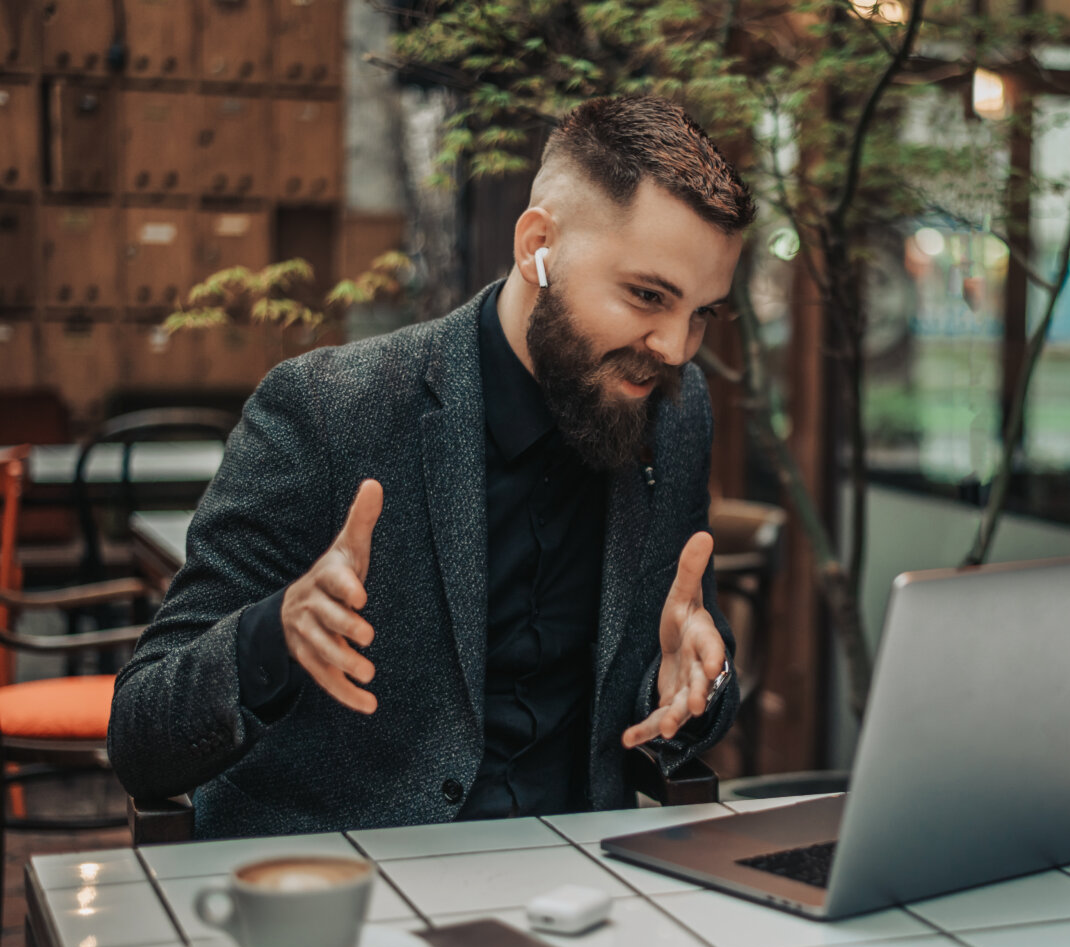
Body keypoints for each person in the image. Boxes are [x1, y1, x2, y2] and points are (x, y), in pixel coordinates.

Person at [108, 96, 754, 839]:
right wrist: (272, 635)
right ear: (537, 245)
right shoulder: (326, 411)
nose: (675, 346)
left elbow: (683, 658)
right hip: (355, 893)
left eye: (703, 312)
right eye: (647, 296)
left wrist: (700, 683)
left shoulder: (674, 410)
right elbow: (140, 736)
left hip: (582, 882)